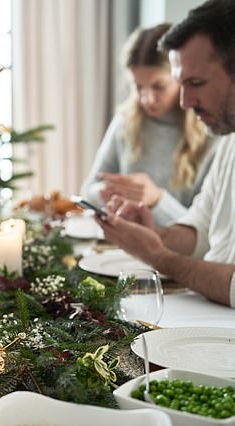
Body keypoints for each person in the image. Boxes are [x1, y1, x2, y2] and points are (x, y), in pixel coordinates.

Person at [97, 0, 235, 307]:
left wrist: (159, 255)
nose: (184, 101)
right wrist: (153, 232)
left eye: (196, 83)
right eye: (181, 84)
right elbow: (199, 234)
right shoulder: (229, 138)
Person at [81, 23, 216, 226]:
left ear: (181, 78)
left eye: (158, 87)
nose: (147, 99)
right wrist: (105, 192)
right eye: (138, 87)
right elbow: (88, 190)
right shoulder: (126, 121)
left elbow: (206, 231)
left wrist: (157, 200)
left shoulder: (211, 130)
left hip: (175, 254)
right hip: (121, 247)